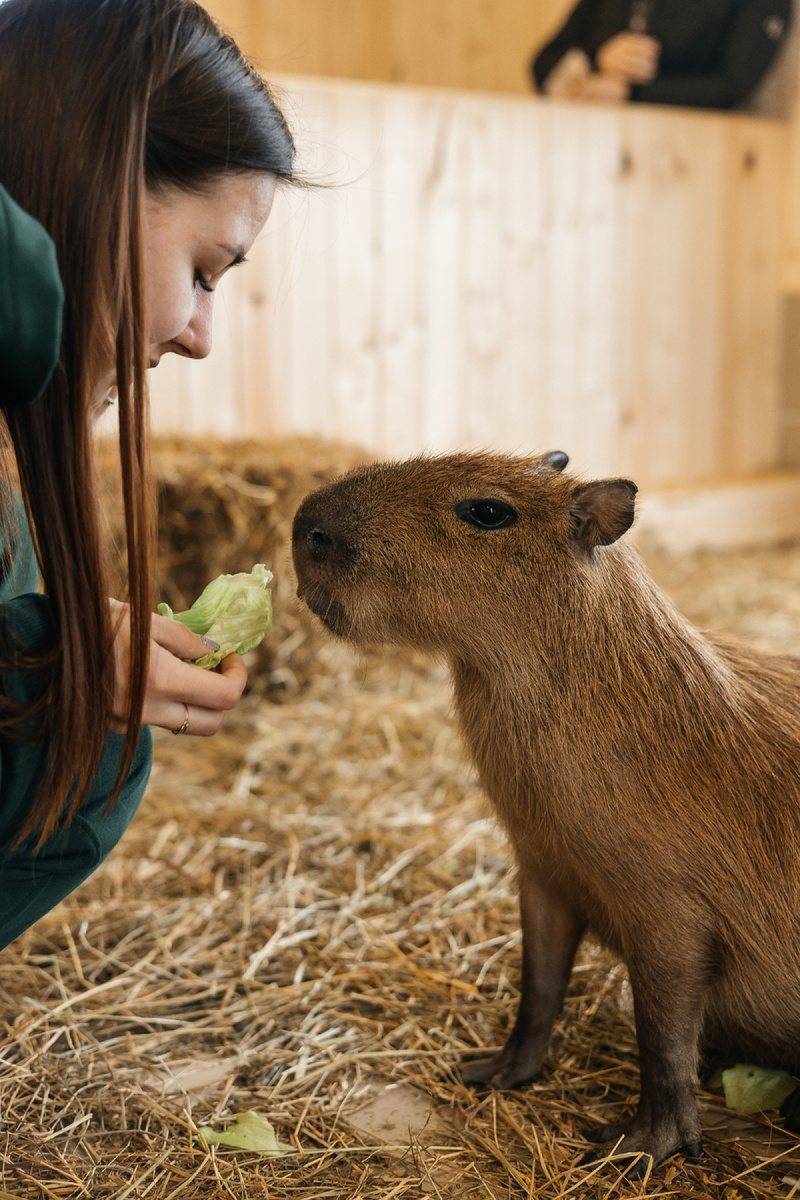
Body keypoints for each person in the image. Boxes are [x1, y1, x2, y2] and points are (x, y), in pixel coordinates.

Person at [0, 0, 295, 948]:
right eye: (206, 270)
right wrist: (51, 652)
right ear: (100, 176)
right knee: (84, 758)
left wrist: (61, 646)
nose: (200, 336)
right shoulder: (21, 292)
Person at [531, 0, 791, 109]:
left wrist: (631, 95)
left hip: (699, 162)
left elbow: (732, 87)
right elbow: (542, 64)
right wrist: (597, 58)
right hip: (587, 150)